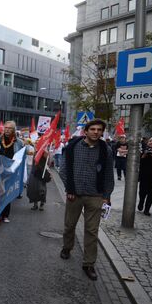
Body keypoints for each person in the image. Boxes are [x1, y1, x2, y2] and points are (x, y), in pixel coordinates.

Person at [59, 119, 114, 281]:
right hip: (74, 195)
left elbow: (109, 176)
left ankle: (88, 264)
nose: (96, 132)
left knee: (92, 231)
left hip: (95, 196)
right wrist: (70, 189)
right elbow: (64, 171)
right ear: (86, 131)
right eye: (93, 129)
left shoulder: (106, 150)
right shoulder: (73, 147)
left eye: (99, 130)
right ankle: (67, 248)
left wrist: (106, 196)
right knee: (69, 225)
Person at [0, 121, 24, 225]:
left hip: (12, 170)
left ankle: (5, 215)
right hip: (0, 169)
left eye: (9, 128)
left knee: (8, 192)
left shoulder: (19, 142)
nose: (7, 130)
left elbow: (21, 156)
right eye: (5, 128)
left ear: (13, 130)